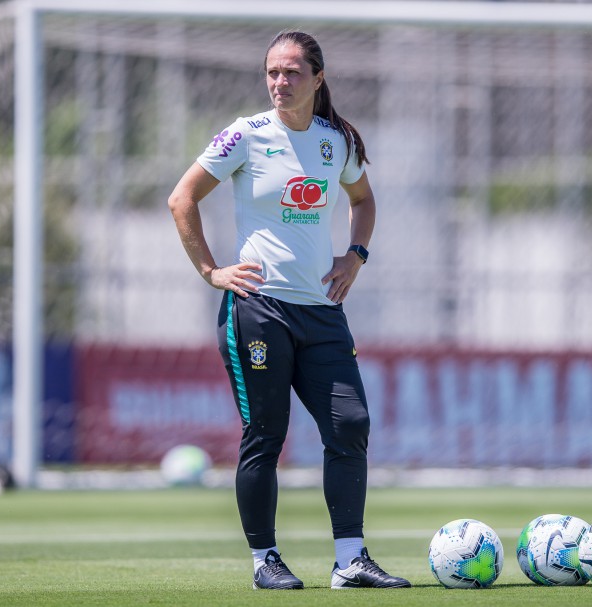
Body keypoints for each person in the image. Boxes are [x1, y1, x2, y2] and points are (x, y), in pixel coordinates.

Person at [167, 31, 410, 591]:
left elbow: (364, 200)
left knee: (350, 424)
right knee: (266, 435)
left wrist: (356, 255)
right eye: (273, 72)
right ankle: (264, 560)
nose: (280, 82)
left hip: (321, 311)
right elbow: (182, 198)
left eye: (292, 72)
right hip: (258, 308)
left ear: (317, 79)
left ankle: (350, 560)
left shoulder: (336, 141)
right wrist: (211, 271)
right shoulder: (245, 136)